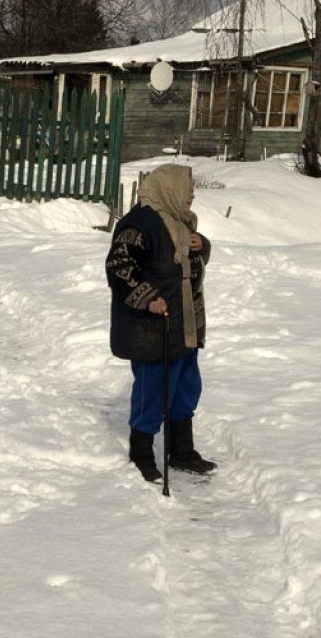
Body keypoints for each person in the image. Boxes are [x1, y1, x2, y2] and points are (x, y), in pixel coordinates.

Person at [105, 164, 216, 482]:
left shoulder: (180, 222)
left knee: (185, 389)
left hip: (184, 323)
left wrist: (202, 245)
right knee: (153, 390)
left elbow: (184, 261)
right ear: (170, 189)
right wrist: (146, 296)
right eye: (189, 189)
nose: (192, 194)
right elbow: (119, 266)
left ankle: (181, 450)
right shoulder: (139, 224)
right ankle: (141, 454)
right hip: (153, 325)